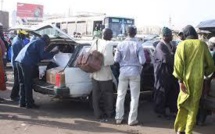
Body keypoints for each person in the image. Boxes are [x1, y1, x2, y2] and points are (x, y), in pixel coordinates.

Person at [173, 25, 215, 134]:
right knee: (194, 105)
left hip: (184, 82)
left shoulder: (181, 45)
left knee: (182, 104)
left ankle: (180, 129)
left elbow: (178, 65)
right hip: (198, 80)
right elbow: (210, 64)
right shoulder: (202, 45)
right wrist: (205, 73)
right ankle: (188, 130)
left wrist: (180, 81)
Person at [15, 34, 58, 109]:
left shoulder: (35, 40)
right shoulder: (41, 42)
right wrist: (54, 52)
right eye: (48, 42)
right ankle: (29, 103)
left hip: (19, 61)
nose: (47, 45)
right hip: (27, 63)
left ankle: (22, 102)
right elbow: (43, 55)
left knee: (22, 83)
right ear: (47, 40)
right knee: (28, 83)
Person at [114, 26, 146, 125]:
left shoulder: (120, 44)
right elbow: (143, 61)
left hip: (123, 72)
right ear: (135, 33)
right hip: (135, 72)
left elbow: (116, 60)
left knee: (120, 96)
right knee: (134, 97)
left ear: (126, 33)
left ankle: (118, 118)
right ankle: (132, 120)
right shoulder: (138, 45)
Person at [153, 27, 179, 118]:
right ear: (165, 36)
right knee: (162, 92)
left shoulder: (170, 44)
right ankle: (160, 112)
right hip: (162, 73)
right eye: (170, 36)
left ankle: (172, 110)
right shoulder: (160, 46)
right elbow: (166, 59)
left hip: (169, 73)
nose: (172, 37)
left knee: (172, 91)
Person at [91, 28, 115, 119]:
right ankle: (109, 113)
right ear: (107, 35)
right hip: (105, 75)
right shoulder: (108, 44)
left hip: (94, 74)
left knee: (96, 96)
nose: (112, 36)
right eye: (111, 34)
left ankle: (97, 114)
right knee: (108, 95)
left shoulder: (95, 41)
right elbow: (109, 61)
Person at [10, 30, 28, 101]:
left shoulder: (18, 39)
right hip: (16, 63)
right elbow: (19, 55)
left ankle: (15, 95)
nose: (25, 36)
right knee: (17, 80)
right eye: (23, 35)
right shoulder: (17, 42)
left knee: (17, 80)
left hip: (15, 62)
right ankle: (14, 96)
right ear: (20, 34)